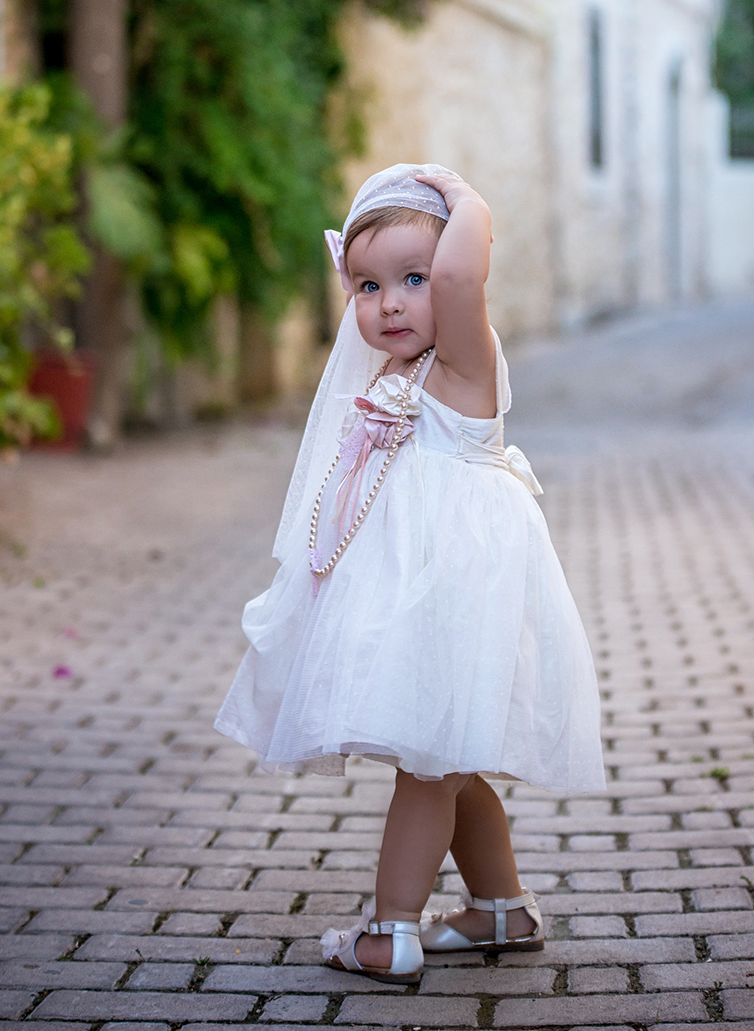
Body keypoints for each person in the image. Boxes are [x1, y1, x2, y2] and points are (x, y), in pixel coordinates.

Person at [215, 163, 604, 985]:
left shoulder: (463, 357)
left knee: (429, 766)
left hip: (460, 586)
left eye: (413, 279)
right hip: (421, 590)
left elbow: (462, 276)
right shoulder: (393, 372)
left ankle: (390, 930)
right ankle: (501, 909)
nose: (390, 303)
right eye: (368, 285)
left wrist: (469, 202)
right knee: (448, 758)